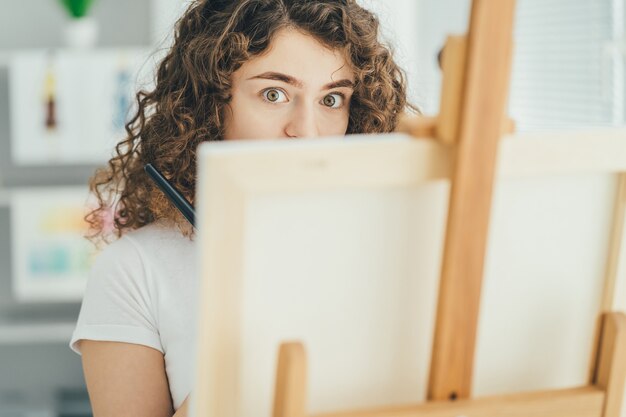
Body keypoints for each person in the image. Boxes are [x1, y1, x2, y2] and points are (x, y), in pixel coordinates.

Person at [69, 0, 413, 416]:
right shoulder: (134, 271)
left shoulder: (395, 243)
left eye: (332, 99)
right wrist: (260, 331)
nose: (306, 132)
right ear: (209, 105)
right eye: (274, 93)